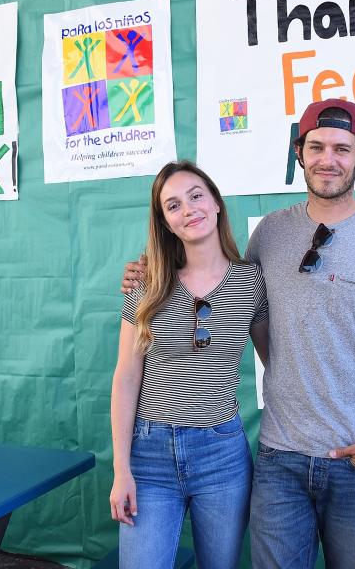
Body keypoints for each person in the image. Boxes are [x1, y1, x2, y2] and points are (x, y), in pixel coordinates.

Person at [122, 98, 355, 568]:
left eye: (341, 148)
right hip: (278, 459)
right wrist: (146, 271)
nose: (327, 159)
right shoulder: (269, 234)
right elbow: (255, 322)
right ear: (299, 152)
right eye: (316, 146)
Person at [109, 160, 270, 569]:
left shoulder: (252, 282)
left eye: (196, 196)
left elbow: (280, 360)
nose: (189, 209)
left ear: (216, 203)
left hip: (222, 456)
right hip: (149, 456)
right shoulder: (146, 282)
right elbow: (126, 377)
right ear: (165, 222)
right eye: (173, 205)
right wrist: (121, 468)